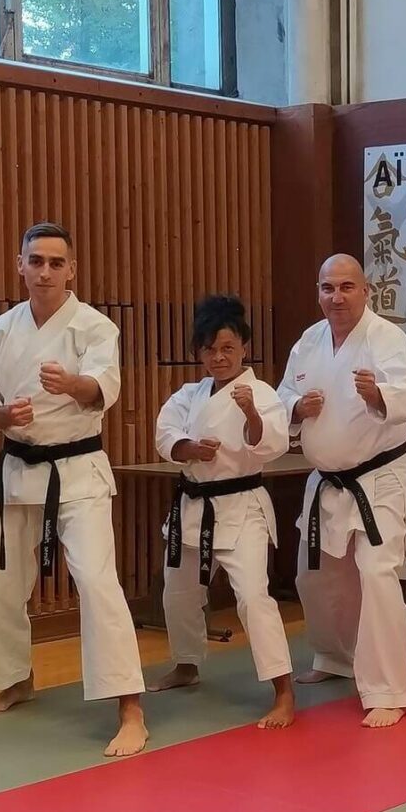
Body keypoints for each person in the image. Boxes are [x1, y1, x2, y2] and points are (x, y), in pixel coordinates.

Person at [0, 222, 147, 757]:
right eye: (36, 261)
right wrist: (1, 415)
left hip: (77, 470)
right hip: (17, 469)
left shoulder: (94, 327)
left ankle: (129, 707)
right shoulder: (2, 330)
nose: (45, 271)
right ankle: (15, 677)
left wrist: (73, 384)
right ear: (20, 266)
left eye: (55, 262)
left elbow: (104, 386)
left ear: (72, 270)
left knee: (96, 582)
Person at [276, 253, 406, 728]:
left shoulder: (387, 338)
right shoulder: (308, 341)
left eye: (346, 287)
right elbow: (281, 397)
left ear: (365, 291)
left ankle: (389, 689)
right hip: (326, 480)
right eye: (328, 288)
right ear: (318, 292)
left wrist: (378, 395)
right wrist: (296, 407)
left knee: (377, 573)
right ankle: (336, 656)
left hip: (379, 477)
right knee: (316, 576)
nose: (336, 297)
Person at [147, 295, 295, 727]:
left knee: (253, 596)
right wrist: (189, 448)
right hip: (193, 505)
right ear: (199, 352)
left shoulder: (261, 394)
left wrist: (250, 413)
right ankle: (186, 664)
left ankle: (283, 691)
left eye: (228, 347)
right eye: (209, 349)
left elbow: (272, 444)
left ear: (245, 347)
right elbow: (165, 436)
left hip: (241, 507)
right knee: (178, 591)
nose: (219, 357)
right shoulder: (188, 394)